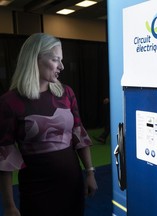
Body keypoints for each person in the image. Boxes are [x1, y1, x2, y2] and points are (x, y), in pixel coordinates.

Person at [0, 33, 98, 216]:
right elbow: (3, 155)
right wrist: (9, 205)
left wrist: (90, 172)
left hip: (72, 183)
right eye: (55, 60)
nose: (61, 66)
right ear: (35, 59)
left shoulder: (66, 93)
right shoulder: (9, 102)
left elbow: (79, 135)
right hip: (37, 190)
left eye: (61, 60)